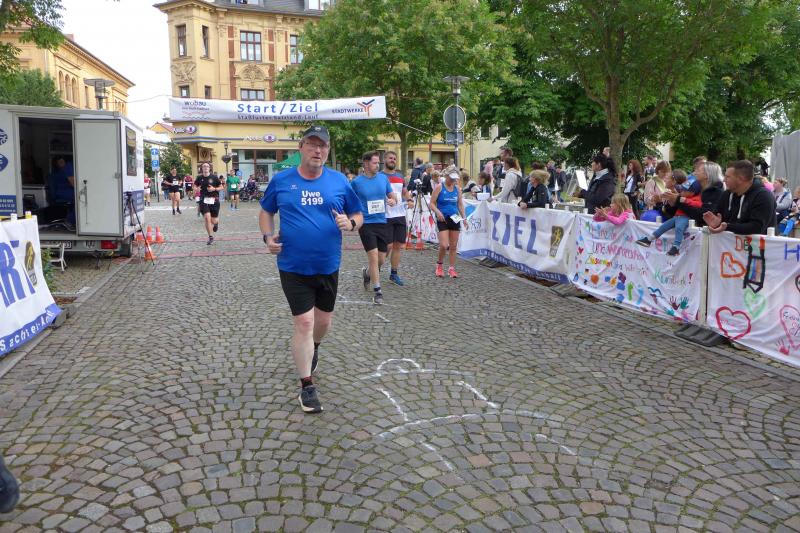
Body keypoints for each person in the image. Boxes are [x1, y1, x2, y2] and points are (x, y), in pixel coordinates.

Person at [259, 125, 363, 413]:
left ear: (327, 151)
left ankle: (314, 347)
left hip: (328, 264)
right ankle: (307, 386)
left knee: (323, 322)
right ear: (301, 147)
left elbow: (358, 214)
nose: (318, 150)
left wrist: (351, 223)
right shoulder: (282, 180)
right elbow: (266, 211)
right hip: (292, 265)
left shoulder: (339, 181)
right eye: (312, 144)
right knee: (304, 322)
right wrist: (268, 237)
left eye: (323, 146)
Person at [350, 150, 396, 304]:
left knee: (381, 259)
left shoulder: (383, 179)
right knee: (374, 256)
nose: (378, 165)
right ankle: (378, 292)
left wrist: (393, 201)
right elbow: (348, 201)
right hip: (366, 223)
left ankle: (368, 273)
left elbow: (393, 196)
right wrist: (352, 218)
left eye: (378, 163)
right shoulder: (356, 182)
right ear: (366, 163)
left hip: (381, 222)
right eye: (375, 163)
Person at [703, 160, 777, 235]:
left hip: (759, 242)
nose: (724, 180)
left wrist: (727, 227)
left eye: (727, 177)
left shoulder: (763, 196)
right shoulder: (726, 195)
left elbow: (757, 227)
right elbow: (717, 217)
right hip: (729, 242)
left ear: (740, 179)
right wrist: (716, 223)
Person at [636, 170, 701, 255]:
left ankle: (676, 247)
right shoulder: (677, 194)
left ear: (693, 192)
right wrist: (662, 200)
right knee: (663, 227)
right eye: (682, 190)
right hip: (677, 216)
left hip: (684, 217)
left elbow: (698, 204)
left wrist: (684, 200)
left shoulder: (692, 197)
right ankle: (649, 239)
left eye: (685, 191)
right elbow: (670, 207)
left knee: (679, 228)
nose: (682, 192)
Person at [430, 166, 467, 278]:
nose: (453, 180)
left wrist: (464, 218)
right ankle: (439, 265)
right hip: (442, 219)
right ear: (446, 176)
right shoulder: (439, 187)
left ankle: (451, 268)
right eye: (451, 178)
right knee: (444, 245)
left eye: (455, 178)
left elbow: (460, 204)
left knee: (453, 246)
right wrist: (438, 212)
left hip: (455, 218)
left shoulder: (457, 189)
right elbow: (432, 203)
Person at [380, 150, 409, 286]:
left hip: (400, 214)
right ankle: (374, 269)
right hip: (385, 215)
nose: (393, 160)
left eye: (394, 159)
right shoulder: (379, 176)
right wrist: (386, 200)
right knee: (387, 246)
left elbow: (404, 191)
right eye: (390, 158)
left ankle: (394, 273)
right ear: (384, 160)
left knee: (398, 245)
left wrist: (409, 199)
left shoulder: (400, 176)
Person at [194, 162, 223, 245]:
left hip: (214, 200)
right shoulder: (199, 177)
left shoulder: (214, 177)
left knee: (213, 220)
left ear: (210, 168)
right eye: (204, 166)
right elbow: (194, 186)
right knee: (207, 218)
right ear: (202, 168)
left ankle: (216, 223)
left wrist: (214, 189)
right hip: (204, 200)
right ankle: (210, 237)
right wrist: (196, 189)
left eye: (207, 166)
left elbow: (221, 187)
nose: (206, 167)